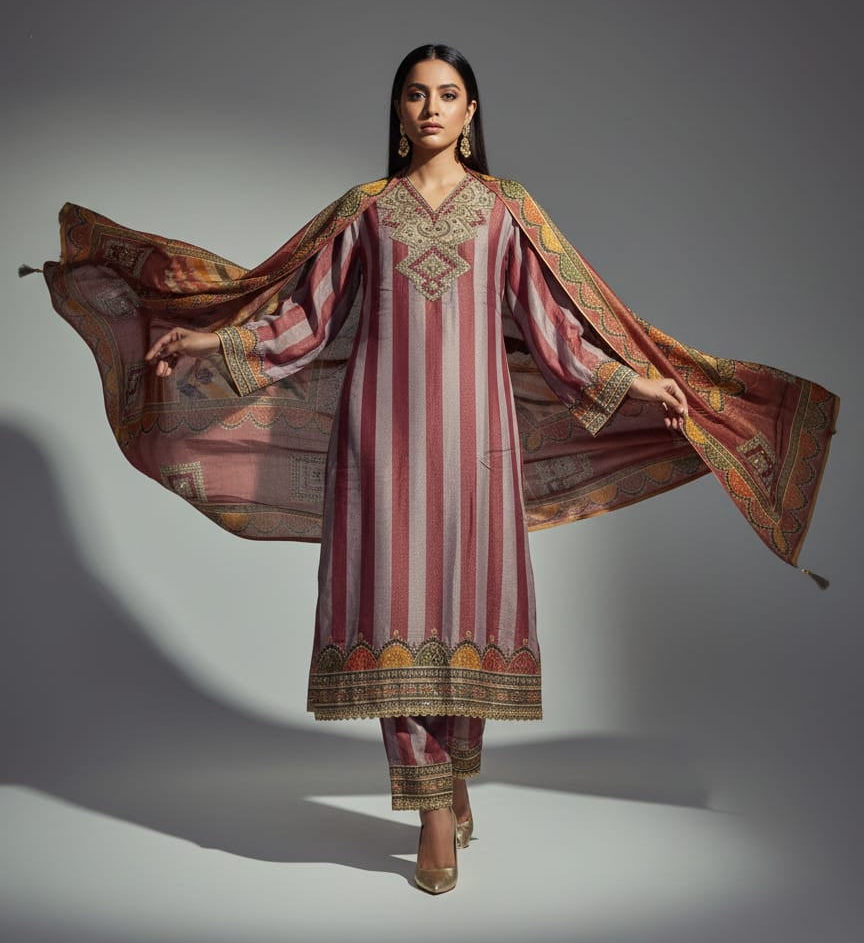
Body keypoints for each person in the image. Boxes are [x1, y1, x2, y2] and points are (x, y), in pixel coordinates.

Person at [34, 44, 838, 896]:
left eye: (447, 95)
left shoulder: (505, 210)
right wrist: (211, 338)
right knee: (389, 609)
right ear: (397, 111)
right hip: (377, 438)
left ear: (472, 112)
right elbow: (303, 318)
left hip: (478, 443)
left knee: (466, 607)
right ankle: (432, 813)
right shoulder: (366, 211)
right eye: (415, 95)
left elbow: (557, 335)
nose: (430, 109)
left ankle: (451, 773)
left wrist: (633, 381)